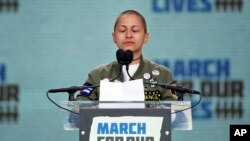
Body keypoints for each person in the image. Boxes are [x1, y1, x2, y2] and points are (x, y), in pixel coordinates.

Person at [76, 10, 178, 101]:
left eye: (135, 30)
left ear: (145, 37)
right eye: (122, 30)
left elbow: (176, 114)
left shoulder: (162, 75)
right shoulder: (97, 75)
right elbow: (79, 108)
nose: (128, 35)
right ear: (114, 37)